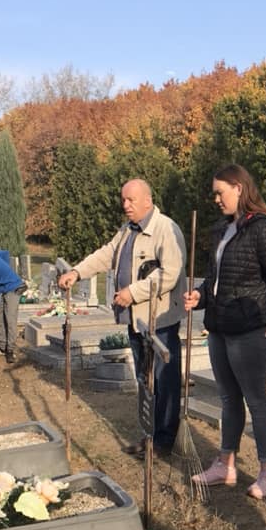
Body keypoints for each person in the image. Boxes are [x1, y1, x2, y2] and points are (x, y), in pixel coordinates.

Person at [184, 164, 266, 500]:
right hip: (219, 327)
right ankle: (226, 464)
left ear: (238, 187)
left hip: (250, 329)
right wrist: (201, 295)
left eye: (220, 192)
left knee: (256, 400)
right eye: (214, 194)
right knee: (228, 398)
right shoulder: (223, 229)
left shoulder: (262, 229)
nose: (216, 199)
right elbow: (216, 278)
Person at [57, 178, 186, 457]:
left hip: (159, 321)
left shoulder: (166, 229)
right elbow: (107, 254)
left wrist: (133, 292)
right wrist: (77, 272)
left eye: (131, 200)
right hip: (136, 320)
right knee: (144, 379)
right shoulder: (128, 229)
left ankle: (164, 440)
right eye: (123, 200)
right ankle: (150, 434)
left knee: (163, 380)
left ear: (147, 201)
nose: (125, 205)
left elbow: (170, 274)